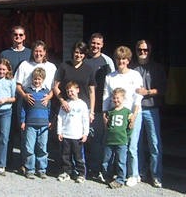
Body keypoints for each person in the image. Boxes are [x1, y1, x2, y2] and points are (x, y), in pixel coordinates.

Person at [103, 46, 143, 187]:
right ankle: (118, 173)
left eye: (124, 59)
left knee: (131, 146)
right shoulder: (110, 77)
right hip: (115, 116)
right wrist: (104, 114)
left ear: (128, 60)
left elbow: (138, 96)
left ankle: (133, 174)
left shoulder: (135, 75)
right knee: (116, 146)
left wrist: (134, 115)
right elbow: (106, 97)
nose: (121, 61)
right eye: (119, 59)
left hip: (132, 113)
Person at [15, 40, 57, 170]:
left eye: (41, 51)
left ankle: (40, 167)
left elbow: (55, 86)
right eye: (36, 51)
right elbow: (18, 84)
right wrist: (25, 96)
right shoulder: (25, 65)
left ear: (45, 52)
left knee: (41, 142)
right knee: (27, 138)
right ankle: (27, 165)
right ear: (32, 52)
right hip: (27, 101)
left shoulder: (51, 67)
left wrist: (50, 96)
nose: (38, 53)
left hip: (44, 104)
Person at [135, 39, 167, 188]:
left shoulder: (157, 68)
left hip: (151, 109)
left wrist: (146, 92)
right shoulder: (132, 67)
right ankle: (140, 172)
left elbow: (162, 89)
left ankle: (156, 175)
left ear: (150, 51)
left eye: (145, 50)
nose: (143, 52)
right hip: (135, 109)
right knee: (136, 144)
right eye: (140, 50)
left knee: (155, 144)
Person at [0, 25, 32, 167]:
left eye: (20, 35)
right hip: (9, 97)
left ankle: (25, 164)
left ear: (24, 37)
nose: (18, 37)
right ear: (11, 36)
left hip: (26, 97)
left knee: (25, 132)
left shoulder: (31, 54)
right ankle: (6, 161)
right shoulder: (5, 54)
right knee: (8, 132)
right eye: (15, 35)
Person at [85, 33, 115, 178]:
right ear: (89, 43)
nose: (95, 46)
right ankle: (82, 168)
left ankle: (96, 169)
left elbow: (111, 86)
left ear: (102, 45)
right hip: (83, 106)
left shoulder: (106, 61)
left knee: (97, 140)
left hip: (99, 107)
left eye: (98, 44)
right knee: (83, 138)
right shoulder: (83, 58)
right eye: (93, 43)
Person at [53, 40, 95, 123]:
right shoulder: (64, 66)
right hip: (66, 107)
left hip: (83, 108)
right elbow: (55, 87)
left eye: (81, 53)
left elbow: (91, 91)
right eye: (76, 52)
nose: (78, 55)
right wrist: (62, 101)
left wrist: (91, 111)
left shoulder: (89, 69)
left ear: (85, 54)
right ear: (73, 52)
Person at [20, 67, 50, 179]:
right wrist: (23, 121)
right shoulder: (28, 91)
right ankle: (30, 169)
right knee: (29, 147)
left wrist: (49, 120)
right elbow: (23, 108)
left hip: (44, 124)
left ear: (43, 80)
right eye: (35, 79)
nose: (37, 81)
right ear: (32, 79)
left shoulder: (46, 92)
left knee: (42, 147)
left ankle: (42, 169)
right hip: (30, 123)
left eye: (39, 79)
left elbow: (49, 108)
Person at [57, 81, 89, 184]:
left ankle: (81, 174)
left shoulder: (82, 104)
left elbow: (85, 120)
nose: (70, 93)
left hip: (77, 135)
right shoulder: (65, 103)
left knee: (78, 157)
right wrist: (59, 132)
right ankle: (67, 172)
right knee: (65, 156)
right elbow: (60, 118)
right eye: (68, 91)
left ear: (78, 90)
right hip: (66, 134)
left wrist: (85, 133)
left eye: (72, 91)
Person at [102, 87, 133, 189]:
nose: (116, 100)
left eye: (118, 98)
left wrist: (126, 138)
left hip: (121, 141)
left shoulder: (127, 112)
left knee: (121, 161)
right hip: (110, 141)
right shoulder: (110, 112)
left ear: (123, 98)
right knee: (107, 160)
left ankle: (120, 179)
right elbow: (108, 126)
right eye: (114, 98)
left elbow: (130, 128)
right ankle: (107, 176)